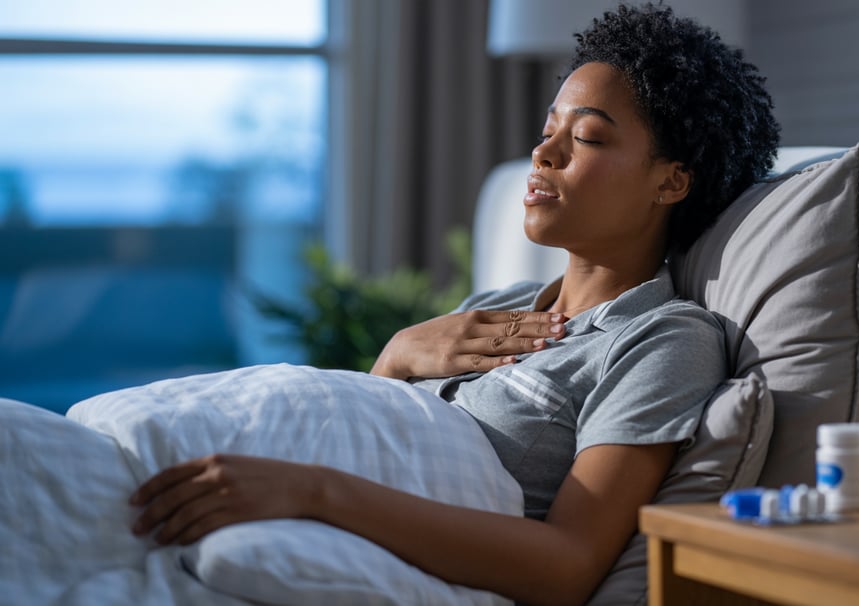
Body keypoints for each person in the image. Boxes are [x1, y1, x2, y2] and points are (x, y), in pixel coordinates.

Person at [118, 4, 778, 604]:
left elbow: (568, 563)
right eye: (549, 129)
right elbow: (369, 434)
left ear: (671, 180)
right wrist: (397, 355)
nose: (542, 152)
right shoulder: (492, 307)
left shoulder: (664, 338)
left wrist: (312, 490)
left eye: (588, 139)